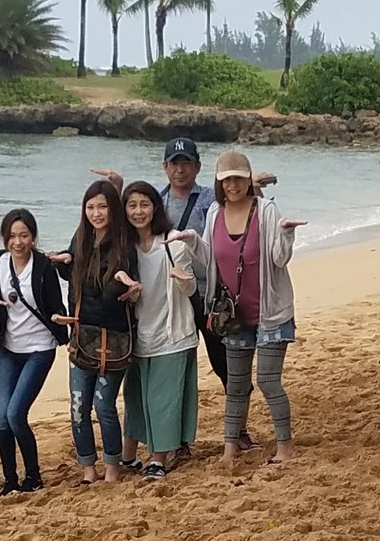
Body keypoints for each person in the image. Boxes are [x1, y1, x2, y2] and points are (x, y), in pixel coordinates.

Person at [92, 137, 270, 452]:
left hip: (210, 296)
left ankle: (238, 429)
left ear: (198, 167)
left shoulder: (209, 201)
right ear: (164, 167)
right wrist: (116, 188)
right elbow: (127, 219)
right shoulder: (155, 200)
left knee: (226, 366)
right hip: (169, 299)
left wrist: (248, 187)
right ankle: (177, 439)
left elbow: (235, 206)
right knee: (176, 372)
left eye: (186, 162)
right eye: (174, 163)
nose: (180, 169)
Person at [196, 150, 306, 469]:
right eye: (226, 179)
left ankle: (284, 447)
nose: (232, 185)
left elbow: (279, 259)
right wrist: (190, 242)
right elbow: (208, 258)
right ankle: (230, 448)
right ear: (219, 183)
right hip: (234, 315)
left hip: (271, 311)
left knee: (269, 380)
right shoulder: (215, 214)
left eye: (238, 178)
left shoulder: (266, 211)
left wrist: (286, 234)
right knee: (237, 383)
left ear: (249, 179)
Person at [0, 208, 69, 494]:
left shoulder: (43, 268)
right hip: (9, 350)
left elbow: (55, 307)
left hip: (39, 348)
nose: (17, 242)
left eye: (24, 235)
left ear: (33, 237)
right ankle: (11, 480)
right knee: (1, 418)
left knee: (15, 414)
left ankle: (34, 477)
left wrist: (60, 320)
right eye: (12, 236)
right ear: (4, 238)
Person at [53, 180, 141, 484]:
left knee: (103, 405)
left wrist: (122, 282)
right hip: (82, 335)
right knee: (78, 408)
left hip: (114, 338)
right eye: (90, 207)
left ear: (112, 209)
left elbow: (125, 286)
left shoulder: (124, 243)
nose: (96, 213)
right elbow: (75, 274)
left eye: (102, 206)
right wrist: (62, 262)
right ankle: (88, 469)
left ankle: (112, 468)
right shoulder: (80, 239)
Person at [118, 181, 200, 480]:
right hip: (137, 335)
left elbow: (190, 286)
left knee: (162, 399)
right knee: (136, 398)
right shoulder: (123, 248)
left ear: (156, 207)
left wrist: (182, 280)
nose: (138, 211)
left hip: (172, 332)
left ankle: (157, 459)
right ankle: (128, 457)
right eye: (132, 205)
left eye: (145, 204)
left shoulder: (173, 242)